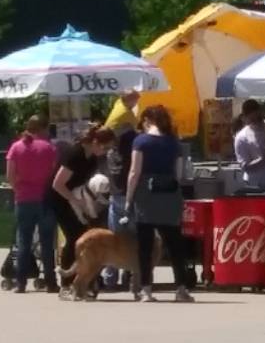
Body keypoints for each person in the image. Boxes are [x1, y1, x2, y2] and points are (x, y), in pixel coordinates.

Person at [125, 105, 195, 303]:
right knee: (175, 245)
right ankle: (181, 289)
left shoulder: (141, 141)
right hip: (170, 195)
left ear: (147, 120)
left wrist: (129, 199)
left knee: (145, 246)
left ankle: (146, 290)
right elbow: (179, 174)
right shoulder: (174, 143)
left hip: (146, 195)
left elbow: (134, 172)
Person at [49, 124, 116, 292]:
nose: (107, 151)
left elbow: (84, 183)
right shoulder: (74, 154)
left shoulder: (92, 157)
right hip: (60, 198)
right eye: (105, 147)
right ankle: (66, 283)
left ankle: (83, 279)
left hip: (76, 197)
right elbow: (57, 184)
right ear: (95, 142)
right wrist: (75, 201)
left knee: (85, 235)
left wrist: (87, 202)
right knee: (74, 237)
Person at [7, 115, 59, 294]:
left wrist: (18, 190)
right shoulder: (49, 148)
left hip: (23, 199)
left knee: (24, 241)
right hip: (44, 198)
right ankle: (51, 282)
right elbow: (53, 172)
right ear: (43, 129)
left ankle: (20, 282)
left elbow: (10, 176)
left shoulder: (16, 147)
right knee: (46, 242)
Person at [103, 91, 140, 288]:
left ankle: (111, 277)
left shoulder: (111, 151)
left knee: (115, 236)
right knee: (131, 237)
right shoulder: (133, 146)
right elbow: (134, 171)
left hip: (116, 193)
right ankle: (131, 275)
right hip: (130, 193)